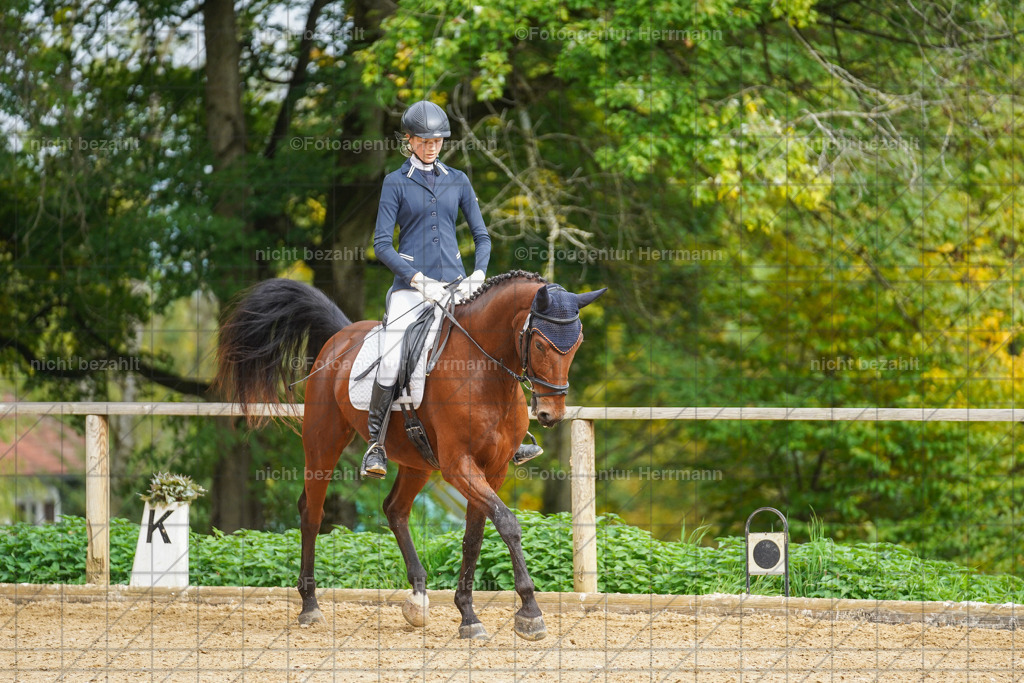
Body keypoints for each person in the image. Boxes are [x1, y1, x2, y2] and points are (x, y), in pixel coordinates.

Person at [361, 100, 541, 479]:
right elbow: (381, 245)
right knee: (392, 355)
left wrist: (478, 274)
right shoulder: (395, 182)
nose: (432, 147)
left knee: (495, 342)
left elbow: (482, 236)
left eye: (438, 141)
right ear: (409, 140)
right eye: (424, 141)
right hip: (412, 290)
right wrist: (417, 279)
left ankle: (515, 433)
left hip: (457, 286)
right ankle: (376, 443)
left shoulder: (457, 179)